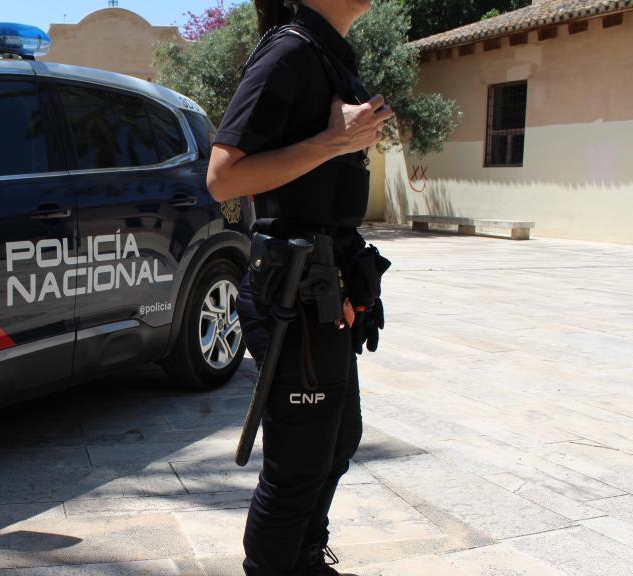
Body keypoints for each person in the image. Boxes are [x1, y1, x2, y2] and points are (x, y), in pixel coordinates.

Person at [207, 0, 394, 575]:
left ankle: (306, 559)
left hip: (326, 284)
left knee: (337, 441)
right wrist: (333, 142)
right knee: (299, 465)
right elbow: (222, 177)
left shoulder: (330, 53)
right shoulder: (288, 52)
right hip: (291, 289)